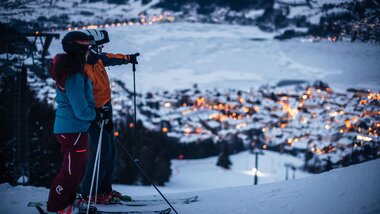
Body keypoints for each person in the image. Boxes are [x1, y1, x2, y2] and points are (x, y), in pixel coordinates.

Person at [47, 31, 111, 213]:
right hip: (72, 129)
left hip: (74, 129)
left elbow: (82, 106)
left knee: (77, 169)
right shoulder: (74, 75)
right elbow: (81, 110)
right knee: (71, 171)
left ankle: (69, 201)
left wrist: (98, 112)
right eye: (87, 48)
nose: (89, 52)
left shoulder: (73, 70)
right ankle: (56, 205)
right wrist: (97, 115)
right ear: (79, 50)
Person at [79, 29, 138, 204]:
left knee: (111, 152)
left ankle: (105, 190)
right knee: (100, 153)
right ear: (90, 46)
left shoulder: (97, 59)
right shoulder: (82, 69)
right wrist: (97, 114)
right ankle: (90, 192)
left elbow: (112, 57)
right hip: (95, 114)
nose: (102, 49)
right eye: (99, 46)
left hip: (106, 109)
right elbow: (82, 98)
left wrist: (129, 58)